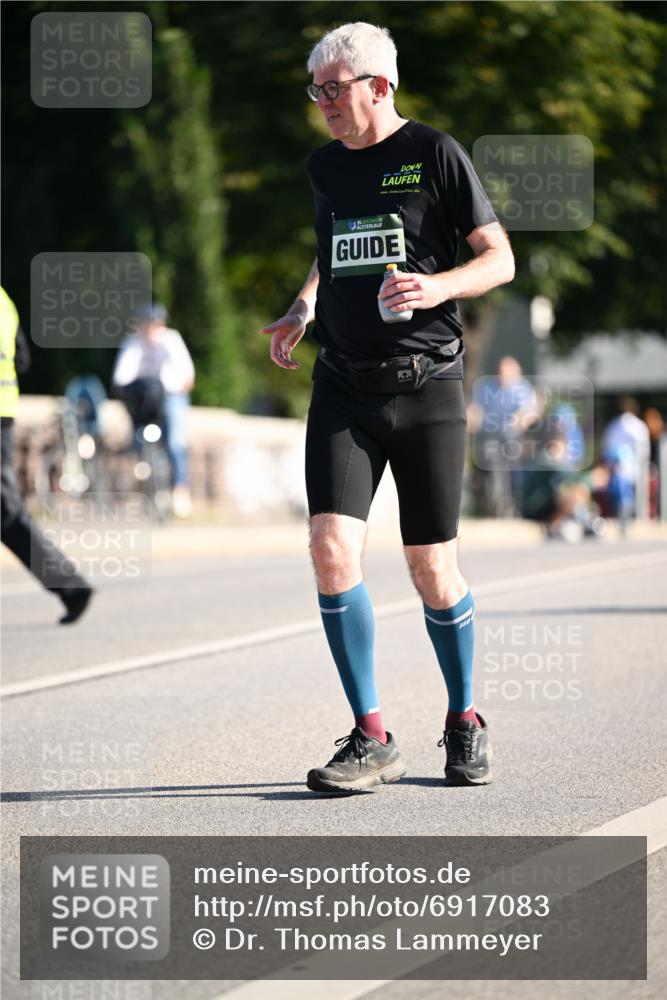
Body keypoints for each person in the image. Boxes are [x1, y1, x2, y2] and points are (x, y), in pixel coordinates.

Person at [261, 22, 515, 792]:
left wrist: (436, 287)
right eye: (318, 91)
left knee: (431, 566)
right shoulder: (323, 166)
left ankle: (463, 718)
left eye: (337, 88)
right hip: (343, 382)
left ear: (380, 85)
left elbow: (498, 257)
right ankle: (371, 735)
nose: (325, 103)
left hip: (428, 382)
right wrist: (303, 307)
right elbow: (331, 242)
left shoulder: (435, 153)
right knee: (330, 549)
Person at [0, 287, 94, 623]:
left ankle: (70, 586)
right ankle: (70, 586)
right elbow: (22, 359)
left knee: (6, 512)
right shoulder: (4, 299)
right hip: (4, 417)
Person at [112, 303, 195, 517]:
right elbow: (121, 378)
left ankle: (180, 488)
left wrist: (168, 385)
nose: (150, 329)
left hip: (170, 396)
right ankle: (141, 463)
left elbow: (187, 376)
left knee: (175, 439)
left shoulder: (171, 341)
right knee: (137, 431)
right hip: (143, 399)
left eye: (154, 325)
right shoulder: (133, 343)